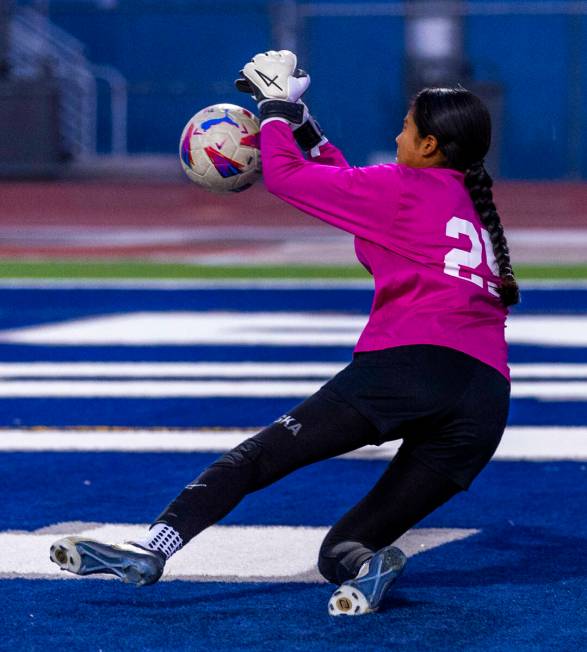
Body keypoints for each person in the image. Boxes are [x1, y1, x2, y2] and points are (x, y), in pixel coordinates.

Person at [50, 51, 518, 616]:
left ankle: (152, 547)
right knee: (344, 550)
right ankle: (373, 566)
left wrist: (273, 111)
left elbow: (289, 178)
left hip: (410, 368)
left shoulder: (401, 189)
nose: (397, 136)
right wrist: (302, 123)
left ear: (429, 148)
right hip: (484, 404)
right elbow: (341, 180)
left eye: (405, 128)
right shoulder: (469, 204)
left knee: (256, 459)